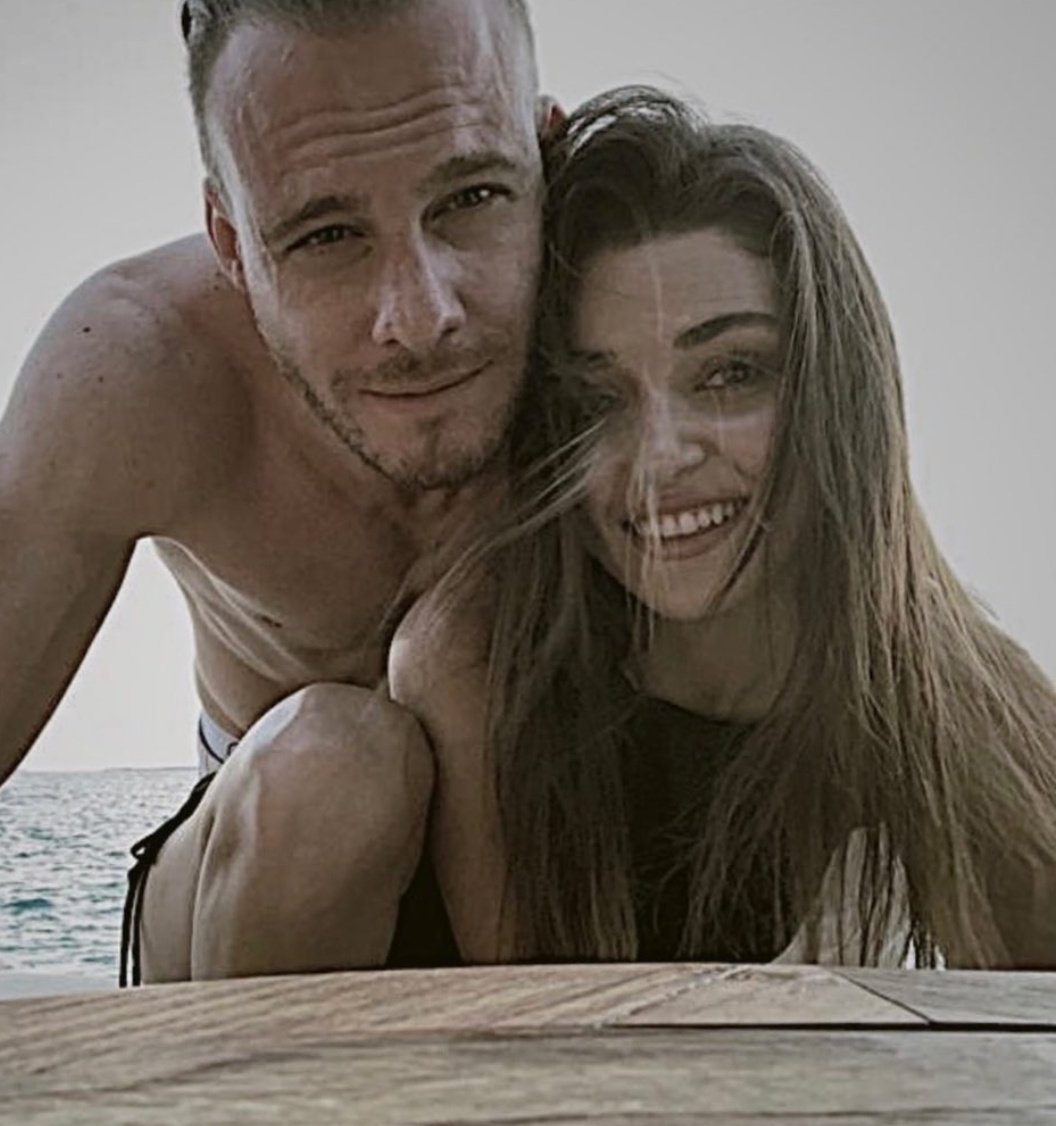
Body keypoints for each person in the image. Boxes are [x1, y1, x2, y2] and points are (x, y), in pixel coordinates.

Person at [390, 88, 1056, 969]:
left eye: (731, 373)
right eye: (597, 400)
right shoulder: (475, 659)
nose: (661, 456)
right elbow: (542, 1033)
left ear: (835, 392)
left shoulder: (973, 709)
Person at [0, 0, 562, 983]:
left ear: (550, 156)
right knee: (332, 771)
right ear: (231, 241)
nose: (421, 317)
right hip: (261, 878)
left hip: (568, 858)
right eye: (328, 235)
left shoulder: (650, 324)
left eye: (470, 196)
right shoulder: (142, 365)